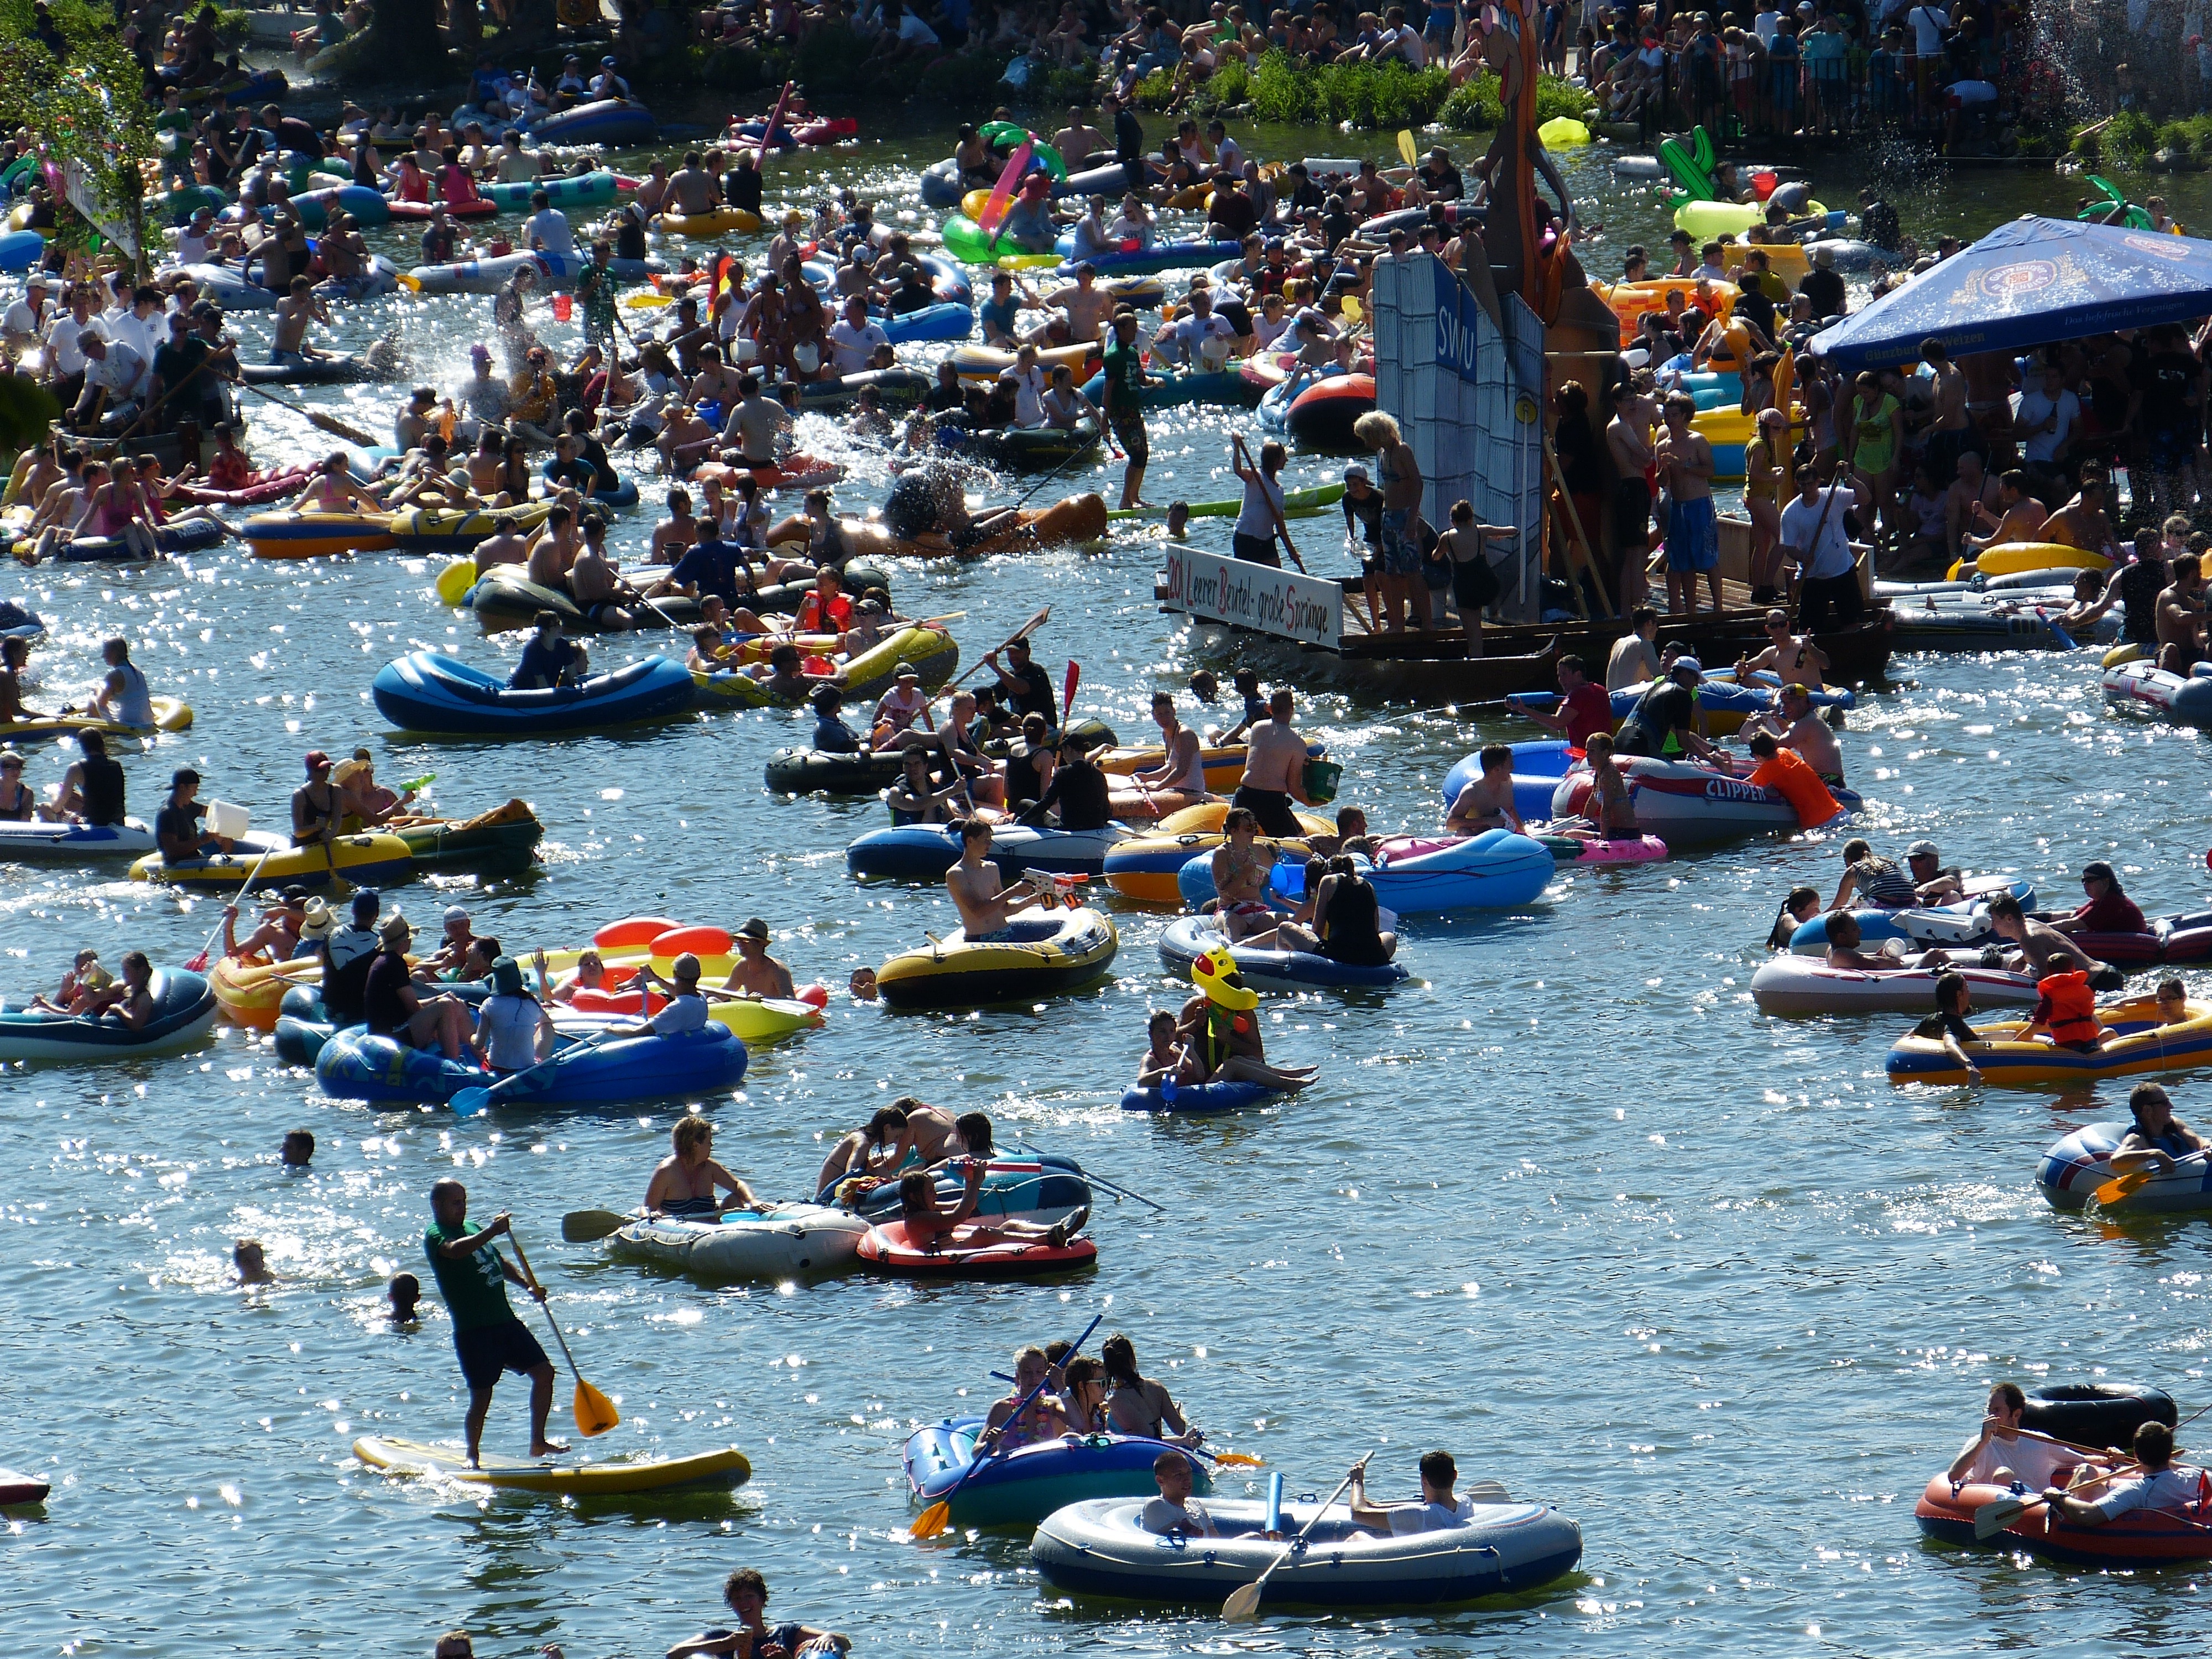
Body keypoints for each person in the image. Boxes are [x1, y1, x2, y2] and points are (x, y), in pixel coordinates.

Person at [421, 1178, 564, 1467]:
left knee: (545, 1373)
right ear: (437, 1206)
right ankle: (472, 1456)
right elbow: (456, 1250)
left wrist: (527, 1286)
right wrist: (492, 1231)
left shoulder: (472, 1227)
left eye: (464, 1201)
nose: (462, 1208)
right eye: (455, 1203)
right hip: (474, 1332)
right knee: (482, 1398)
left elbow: (497, 1261)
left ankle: (538, 1441)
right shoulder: (436, 1234)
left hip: (505, 1322)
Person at [1179, 946, 1318, 1090]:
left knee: (1243, 1060)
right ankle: (1287, 1080)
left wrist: (1228, 1038)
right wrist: (1195, 1024)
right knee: (1231, 1064)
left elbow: (1257, 1053)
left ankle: (1286, 1076)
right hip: (1202, 1078)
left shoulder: (1243, 1012)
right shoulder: (1196, 1006)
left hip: (1233, 1078)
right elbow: (1173, 1040)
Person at [2041, 1420, 2202, 1527]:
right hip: (2187, 1532)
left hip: (2140, 1533)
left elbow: (2088, 1515)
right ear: (2170, 1452)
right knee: (2087, 1471)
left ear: (2137, 1455)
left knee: (2085, 1471)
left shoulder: (2139, 1490)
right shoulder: (2195, 1476)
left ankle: (2061, 1509)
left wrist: (2060, 1497)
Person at [665, 1567, 849, 1659]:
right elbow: (672, 1655)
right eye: (737, 1598)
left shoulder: (786, 1633)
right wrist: (726, 1644)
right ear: (732, 1604)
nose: (743, 1603)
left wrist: (831, 1636)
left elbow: (845, 1643)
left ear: (762, 1600)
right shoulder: (721, 1637)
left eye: (749, 1596)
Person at [364, 914, 474, 1058]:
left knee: (453, 1002)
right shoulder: (394, 964)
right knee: (446, 1005)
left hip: (391, 1027)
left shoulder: (382, 961)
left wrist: (437, 999)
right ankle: (454, 1062)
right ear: (404, 941)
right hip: (392, 1034)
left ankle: (479, 1052)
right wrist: (438, 1005)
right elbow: (413, 1008)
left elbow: (402, 1005)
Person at [1780, 465, 1870, 634]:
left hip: (1843, 570)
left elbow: (1865, 498)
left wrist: (1848, 476)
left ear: (1818, 482)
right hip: (1813, 575)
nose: (1806, 489)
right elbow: (1790, 548)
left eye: (1809, 484)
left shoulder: (1833, 495)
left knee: (1853, 622)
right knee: (1809, 629)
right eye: (1802, 485)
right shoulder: (1791, 513)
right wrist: (1803, 557)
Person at [1945, 1382, 2079, 1487]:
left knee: (2086, 1471)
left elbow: (2081, 1460)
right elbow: (1953, 1477)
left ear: (2016, 1414)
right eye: (1989, 1410)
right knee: (2004, 1475)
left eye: (1997, 1410)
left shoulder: (2039, 1441)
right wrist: (1982, 1442)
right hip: (2002, 1512)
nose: (1990, 1417)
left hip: (2038, 1510)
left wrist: (2099, 1460)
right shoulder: (1979, 1444)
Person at [1274, 854, 1397, 965]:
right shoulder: (1369, 885)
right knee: (1389, 937)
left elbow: (1317, 929)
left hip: (1339, 954)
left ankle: (1282, 969)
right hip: (1372, 955)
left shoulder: (1328, 881)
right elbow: (1375, 929)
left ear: (1330, 871)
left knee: (1284, 928)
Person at [1986, 893, 2122, 990]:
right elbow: (2045, 949)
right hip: (2106, 971)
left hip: (2100, 983)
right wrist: (2020, 960)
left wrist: (2027, 975)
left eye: (1995, 920)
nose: (1992, 926)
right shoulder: (2030, 924)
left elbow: (2048, 979)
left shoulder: (2029, 939)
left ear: (2009, 919)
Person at [1229, 688, 1314, 836]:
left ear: (1269, 708)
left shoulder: (1257, 728)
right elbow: (1293, 788)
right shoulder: (1297, 744)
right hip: (1271, 802)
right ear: (1292, 709)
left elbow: (1271, 749)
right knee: (1300, 842)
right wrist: (1311, 802)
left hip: (1245, 795)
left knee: (1233, 841)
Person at [945, 817, 1045, 937]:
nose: (990, 844)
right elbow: (978, 911)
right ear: (970, 841)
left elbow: (1005, 909)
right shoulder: (956, 874)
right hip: (981, 938)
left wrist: (1035, 898)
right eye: (985, 840)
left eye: (990, 840)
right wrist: (1014, 891)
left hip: (1006, 932)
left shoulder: (992, 868)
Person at [645, 1115, 758, 1218]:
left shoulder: (710, 1167)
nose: (712, 1146)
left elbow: (738, 1185)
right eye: (709, 1142)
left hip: (711, 1229)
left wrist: (753, 1201)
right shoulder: (667, 1171)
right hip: (680, 1232)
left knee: (734, 1200)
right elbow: (647, 1208)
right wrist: (651, 1216)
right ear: (695, 1145)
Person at [1100, 1332, 1201, 1446]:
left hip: (1136, 1458)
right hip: (1158, 1452)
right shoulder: (1156, 1386)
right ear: (1132, 1359)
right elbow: (1179, 1429)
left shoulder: (1116, 1400)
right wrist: (1179, 1421)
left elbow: (1148, 1439)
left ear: (1107, 1367)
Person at [1613, 659, 1723, 761]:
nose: (1696, 684)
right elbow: (1684, 742)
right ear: (1685, 674)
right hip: (1641, 748)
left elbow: (1683, 734)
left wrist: (1714, 749)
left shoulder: (1658, 688)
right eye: (1696, 678)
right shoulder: (1682, 694)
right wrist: (1713, 761)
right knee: (1679, 778)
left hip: (1619, 745)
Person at [1349, 1449, 1473, 1533]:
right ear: (1455, 1475)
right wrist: (1372, 1505)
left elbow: (1358, 1513)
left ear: (1424, 1479)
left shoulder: (1418, 1516)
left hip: (1411, 1566)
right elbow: (1431, 1507)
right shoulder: (1466, 1504)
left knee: (1357, 1537)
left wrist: (1357, 1481)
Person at [1506, 654, 1613, 748]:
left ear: (1578, 675)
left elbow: (1557, 722)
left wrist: (1523, 710)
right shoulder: (1601, 690)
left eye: (1564, 674)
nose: (1561, 680)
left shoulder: (1577, 695)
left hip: (1587, 757)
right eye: (1559, 675)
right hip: (1605, 754)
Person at [978, 1345, 1070, 1451]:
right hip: (1013, 1466)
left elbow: (1078, 1423)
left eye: (1039, 1372)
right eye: (1027, 1372)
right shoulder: (1002, 1407)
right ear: (1018, 1375)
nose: (1034, 1377)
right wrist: (991, 1443)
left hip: (1045, 1464)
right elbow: (976, 1453)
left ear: (1046, 1374)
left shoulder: (1053, 1403)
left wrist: (1061, 1387)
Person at [1745, 731, 1843, 828]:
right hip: (1840, 812)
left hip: (1820, 823)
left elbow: (1746, 784)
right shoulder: (1785, 752)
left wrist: (1729, 773)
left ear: (1758, 756)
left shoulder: (1766, 770)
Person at [472, 955, 552, 1074]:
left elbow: (479, 1045)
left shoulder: (489, 1004)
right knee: (547, 1026)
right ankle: (538, 1061)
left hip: (496, 1067)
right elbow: (546, 1022)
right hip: (526, 1068)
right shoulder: (532, 1001)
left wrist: (471, 1037)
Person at [2111, 1082, 2208, 1178]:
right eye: (2165, 1103)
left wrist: (2208, 1146)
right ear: (2147, 1110)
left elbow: (2198, 1140)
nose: (2171, 1106)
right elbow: (2116, 1161)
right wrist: (2156, 1154)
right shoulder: (2137, 1138)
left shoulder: (2174, 1124)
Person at [1208, 807, 1277, 942]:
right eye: (1248, 828)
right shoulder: (1223, 854)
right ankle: (1235, 953)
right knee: (1231, 923)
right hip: (1231, 911)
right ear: (1234, 831)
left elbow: (1277, 876)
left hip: (1257, 911)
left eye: (1254, 827)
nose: (1253, 832)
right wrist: (1245, 872)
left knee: (1288, 920)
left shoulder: (1259, 850)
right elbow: (1224, 894)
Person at [321, 888, 384, 1026]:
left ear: (353, 911)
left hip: (332, 1010)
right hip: (360, 1014)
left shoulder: (330, 934)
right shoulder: (379, 946)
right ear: (377, 914)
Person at [1911, 970, 1985, 1084]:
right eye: (1967, 988)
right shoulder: (1954, 1023)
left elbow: (1908, 1038)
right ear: (1959, 995)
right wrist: (1968, 1064)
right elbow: (1950, 1044)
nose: (1969, 993)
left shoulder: (1930, 1020)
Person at [2052, 861, 2147, 938]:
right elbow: (2072, 915)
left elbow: (2072, 924)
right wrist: (2040, 917)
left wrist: (2040, 928)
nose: (2085, 884)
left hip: (2133, 949)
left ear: (2105, 882)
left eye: (2090, 880)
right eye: (2084, 881)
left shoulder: (2111, 902)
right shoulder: (2100, 901)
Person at [1445, 745, 1522, 834]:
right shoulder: (1472, 792)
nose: (1513, 768)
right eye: (1510, 764)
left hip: (1502, 836)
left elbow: (1511, 810)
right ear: (1497, 770)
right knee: (1464, 832)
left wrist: (1522, 831)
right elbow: (1450, 824)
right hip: (1477, 839)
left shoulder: (1507, 783)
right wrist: (1487, 821)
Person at [1140, 1447, 1217, 1536]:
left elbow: (1216, 1539)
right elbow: (1190, 1537)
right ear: (1160, 1481)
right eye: (1179, 1475)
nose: (1187, 1479)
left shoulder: (1195, 1504)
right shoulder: (1156, 1505)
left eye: (1189, 1473)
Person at [83, 637, 154, 729]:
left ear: (114, 653)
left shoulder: (114, 675)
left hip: (130, 724)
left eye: (106, 652)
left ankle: (98, 732)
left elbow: (101, 702)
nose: (103, 656)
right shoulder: (137, 670)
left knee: (92, 701)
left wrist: (98, 689)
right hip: (148, 722)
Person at [510, 611, 587, 691]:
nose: (560, 627)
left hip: (546, 688)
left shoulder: (563, 645)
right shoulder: (532, 649)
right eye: (555, 625)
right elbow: (542, 685)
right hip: (519, 689)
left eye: (559, 623)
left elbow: (573, 676)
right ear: (545, 631)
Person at [723, 917, 795, 1000]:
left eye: (746, 940)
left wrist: (764, 999)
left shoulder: (777, 970)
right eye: (738, 940)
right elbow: (723, 993)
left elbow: (791, 999)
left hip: (773, 1011)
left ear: (761, 944)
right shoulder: (742, 967)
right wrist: (711, 999)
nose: (741, 944)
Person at [291, 749, 341, 848]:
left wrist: (331, 834)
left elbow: (337, 819)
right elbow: (298, 832)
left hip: (325, 841)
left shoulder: (336, 791)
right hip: (303, 846)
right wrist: (316, 827)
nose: (325, 772)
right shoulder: (299, 795)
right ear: (310, 772)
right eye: (320, 770)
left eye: (328, 768)